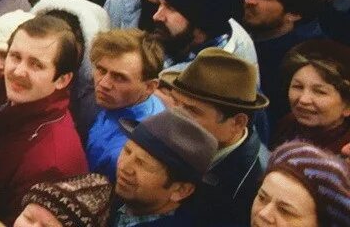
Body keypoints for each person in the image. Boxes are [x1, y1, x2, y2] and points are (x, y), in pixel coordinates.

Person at [0, 14, 89, 221]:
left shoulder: (50, 163)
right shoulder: (13, 104)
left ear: (62, 80)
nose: (18, 71)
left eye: (36, 64)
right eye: (15, 56)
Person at [158, 48, 271, 222]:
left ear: (238, 123)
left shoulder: (255, 185)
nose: (175, 115)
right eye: (175, 102)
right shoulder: (175, 136)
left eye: (191, 110)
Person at [106, 108, 217, 227]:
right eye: (127, 151)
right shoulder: (115, 199)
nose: (124, 167)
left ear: (181, 190)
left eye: (142, 163)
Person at [85, 28, 167, 178]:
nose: (103, 83)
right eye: (101, 70)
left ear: (150, 87)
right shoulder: (119, 101)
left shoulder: (139, 147)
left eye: (119, 77)